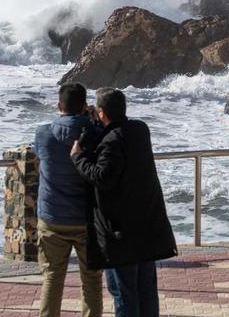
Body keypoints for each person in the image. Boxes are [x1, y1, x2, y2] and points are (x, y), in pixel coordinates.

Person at [70, 87, 177, 317]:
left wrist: (78, 157)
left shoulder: (111, 141)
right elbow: (116, 142)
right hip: (147, 225)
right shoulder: (140, 130)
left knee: (123, 291)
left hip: (121, 232)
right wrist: (98, 123)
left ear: (101, 113)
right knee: (146, 289)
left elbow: (101, 177)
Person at [34, 83, 103, 317]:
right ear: (85, 106)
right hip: (87, 219)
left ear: (58, 105)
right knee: (91, 280)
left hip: (52, 217)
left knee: (52, 278)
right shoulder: (96, 133)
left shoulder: (43, 134)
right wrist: (94, 122)